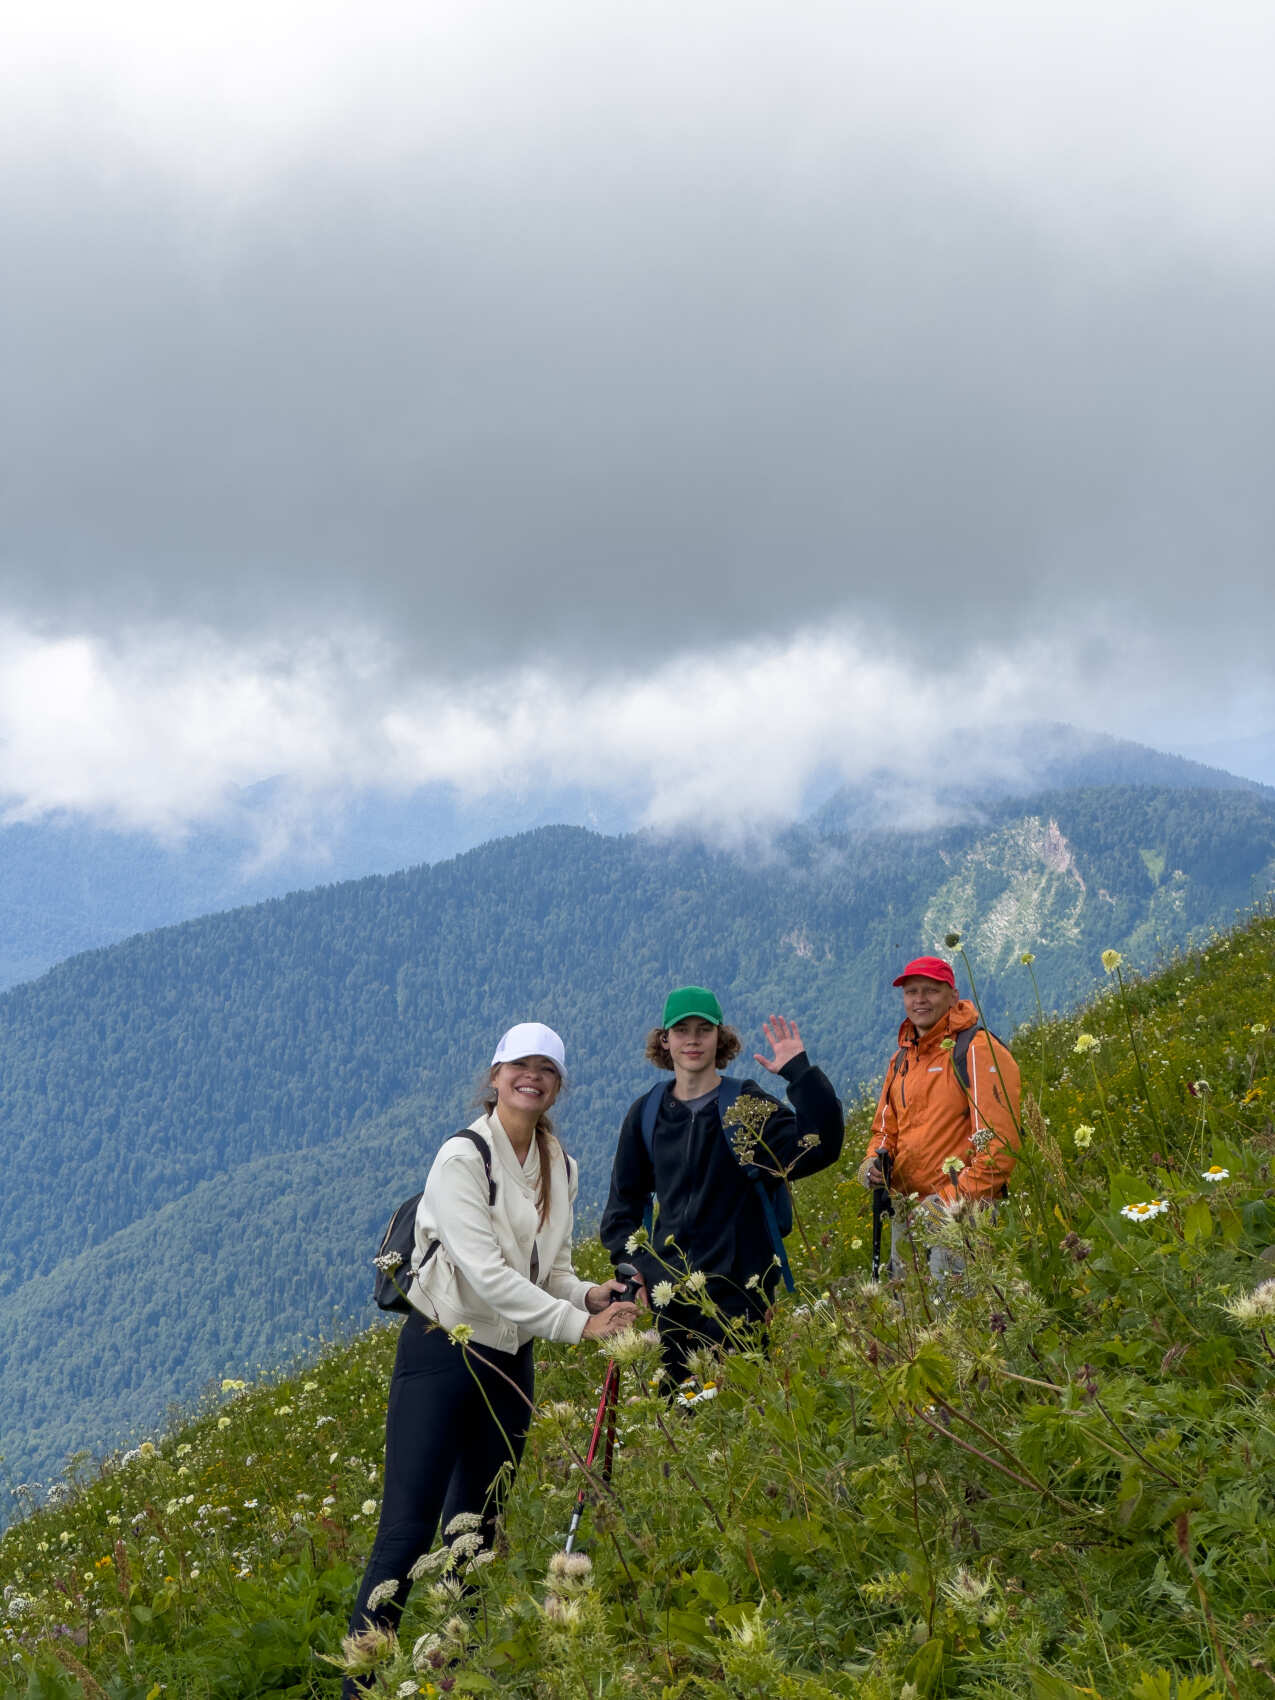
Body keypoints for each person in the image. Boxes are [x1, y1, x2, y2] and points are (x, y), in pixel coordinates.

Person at [343, 1022, 637, 1689]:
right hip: (442, 1348)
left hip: (509, 1357)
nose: (531, 1077)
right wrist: (577, 1327)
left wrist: (590, 1295)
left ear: (557, 1086)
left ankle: (459, 1673)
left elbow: (546, 1268)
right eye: (519, 1066)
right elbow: (483, 1274)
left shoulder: (559, 1165)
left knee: (477, 1530)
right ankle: (357, 1686)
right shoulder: (460, 1158)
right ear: (495, 1075)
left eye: (546, 1069)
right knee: (406, 1532)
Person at [599, 987, 843, 1386]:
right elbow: (623, 1207)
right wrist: (636, 1269)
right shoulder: (646, 1114)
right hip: (671, 1300)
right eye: (681, 1030)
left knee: (746, 1412)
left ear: (720, 1038)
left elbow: (820, 1145)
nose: (692, 1039)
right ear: (665, 1040)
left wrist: (800, 1073)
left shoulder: (744, 1105)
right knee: (681, 1420)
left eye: (703, 1029)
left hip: (742, 1294)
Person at [858, 955, 1021, 1274]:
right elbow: (884, 1131)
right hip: (907, 1211)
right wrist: (871, 1166)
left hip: (964, 1212)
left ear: (953, 995)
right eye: (911, 991)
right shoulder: (902, 1060)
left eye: (931, 991)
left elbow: (1000, 1147)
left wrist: (948, 1201)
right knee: (910, 1315)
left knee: (960, 1311)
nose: (920, 999)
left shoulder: (977, 1050)